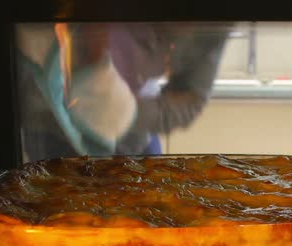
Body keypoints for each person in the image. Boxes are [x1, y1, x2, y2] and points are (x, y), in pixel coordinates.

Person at [15, 22, 230, 161]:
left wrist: (124, 112)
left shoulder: (214, 20)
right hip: (51, 130)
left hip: (136, 137)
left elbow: (191, 99)